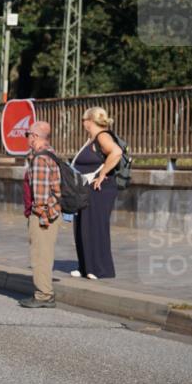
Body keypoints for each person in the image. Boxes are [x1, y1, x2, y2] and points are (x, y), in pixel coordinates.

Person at [71, 106, 121, 280]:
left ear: (90, 121)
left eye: (83, 120)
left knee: (95, 227)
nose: (82, 123)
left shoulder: (103, 136)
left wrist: (102, 174)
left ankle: (100, 268)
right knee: (82, 226)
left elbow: (116, 152)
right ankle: (85, 266)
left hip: (100, 189)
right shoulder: (91, 139)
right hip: (86, 189)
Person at [19, 121, 62, 308]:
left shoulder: (40, 159)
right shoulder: (51, 154)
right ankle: (44, 292)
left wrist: (40, 219)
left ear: (35, 136)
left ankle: (44, 295)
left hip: (44, 215)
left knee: (40, 255)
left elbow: (41, 195)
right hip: (52, 213)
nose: (27, 138)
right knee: (44, 254)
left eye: (28, 134)